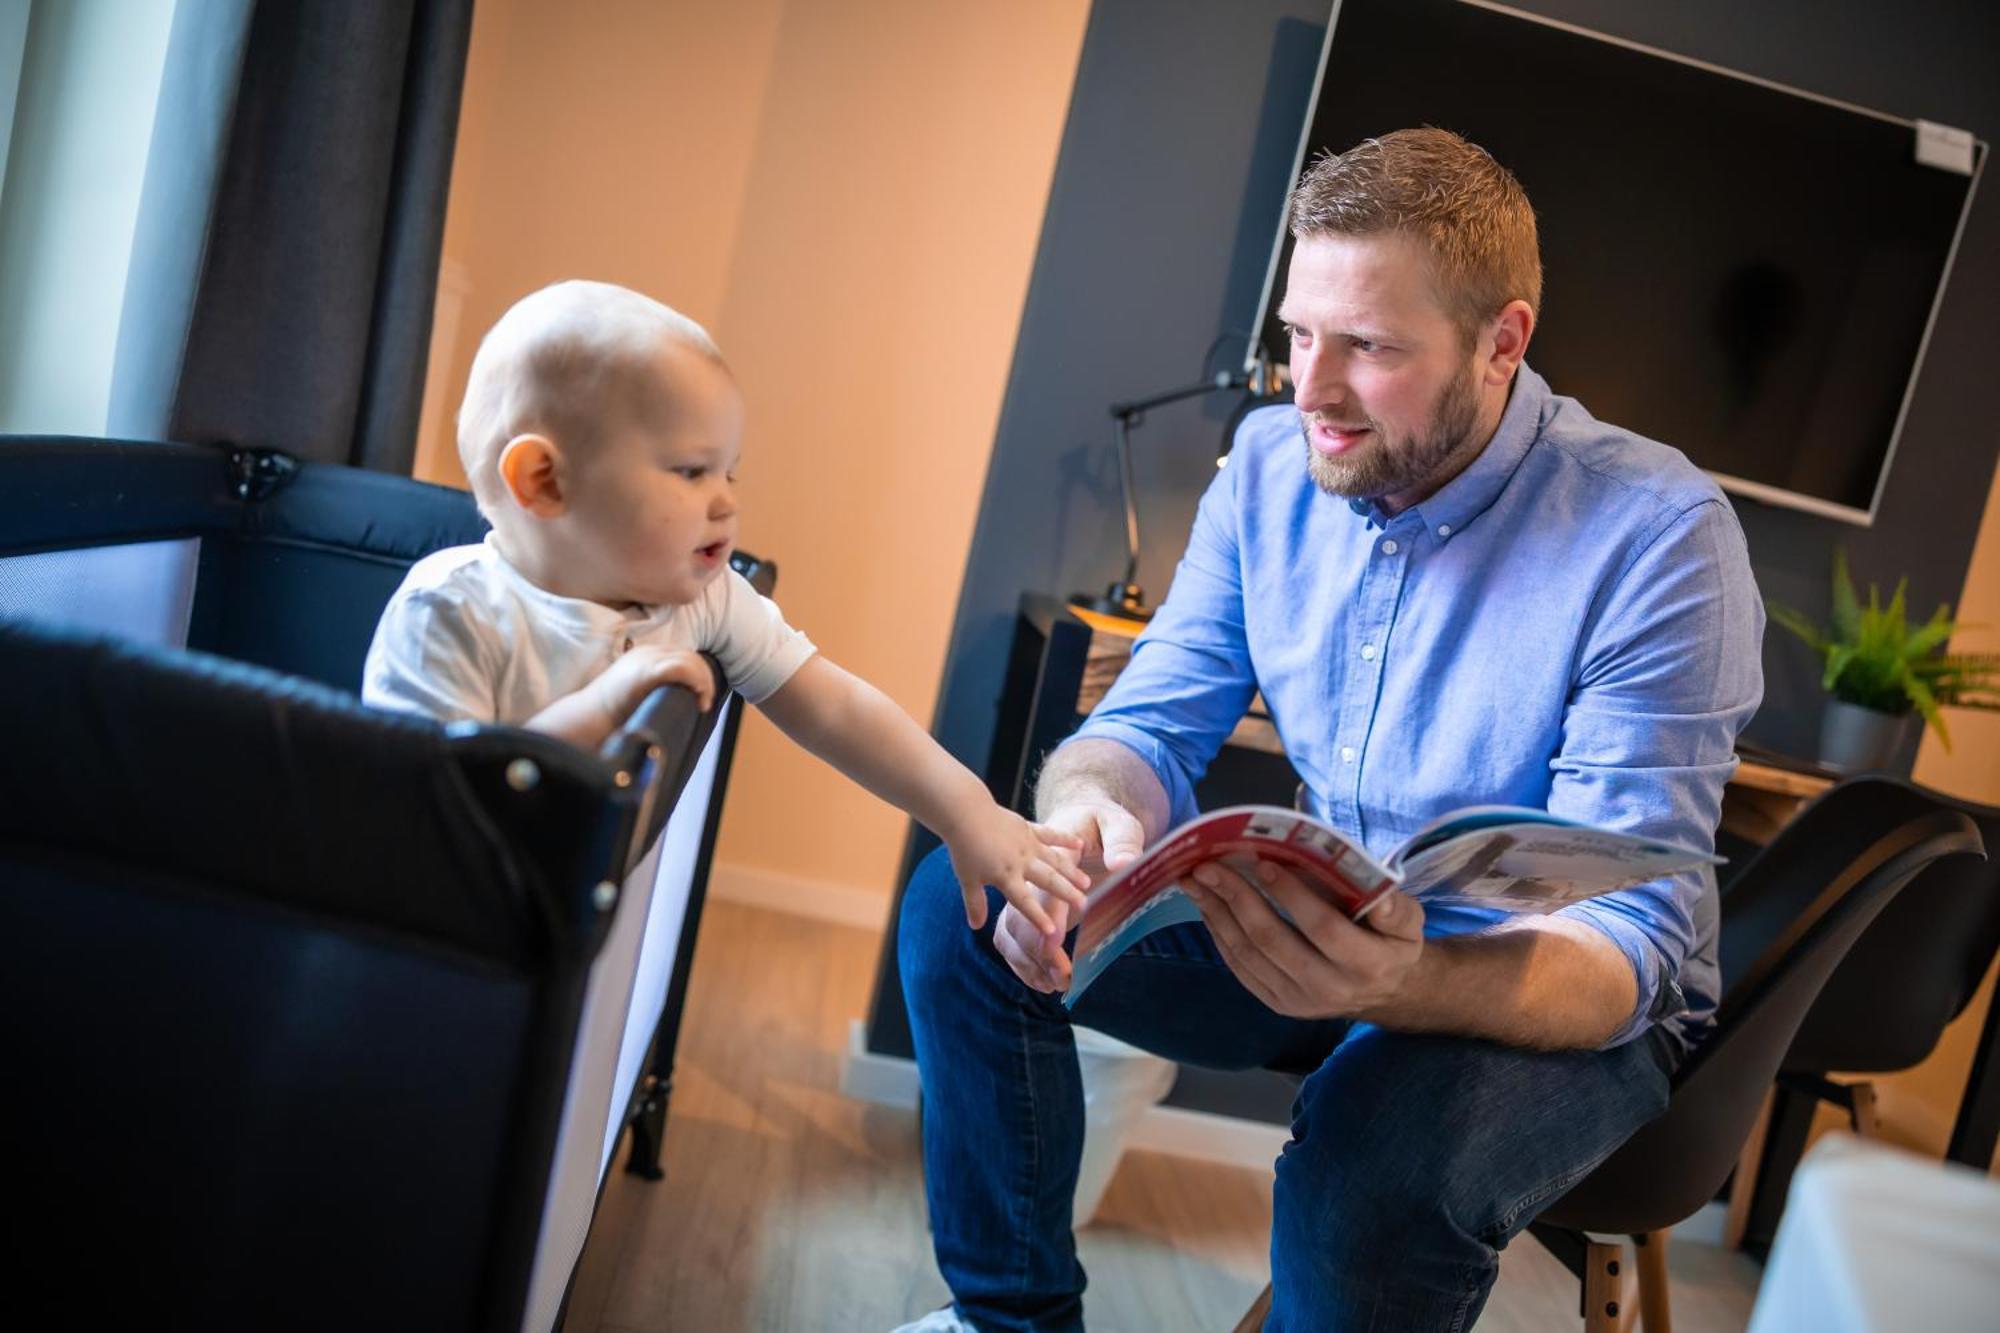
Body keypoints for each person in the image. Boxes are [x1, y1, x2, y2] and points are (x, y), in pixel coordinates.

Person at [894, 129, 1763, 1332]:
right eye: (1298, 334)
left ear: (1501, 343)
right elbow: (1148, 716)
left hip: (1556, 995)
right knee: (969, 902)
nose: (1308, 389)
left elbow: (1627, 937)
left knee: (1369, 1169)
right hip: (1340, 933)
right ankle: (1010, 1321)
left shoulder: (1657, 536)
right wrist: (1085, 820)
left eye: (1368, 347)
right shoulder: (1265, 467)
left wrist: (1409, 980)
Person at [364, 280, 1087, 939]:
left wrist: (964, 807)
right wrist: (607, 703)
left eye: (729, 471)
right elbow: (437, 810)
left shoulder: (702, 596)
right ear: (545, 481)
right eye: (690, 470)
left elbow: (833, 706)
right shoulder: (451, 611)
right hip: (420, 940)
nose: (726, 500)